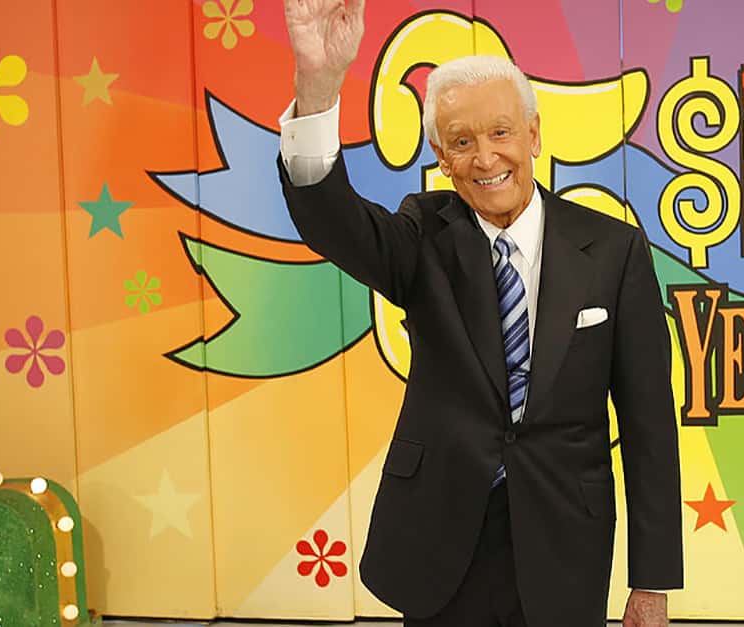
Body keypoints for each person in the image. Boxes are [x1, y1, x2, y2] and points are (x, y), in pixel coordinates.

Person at [277, 1, 683, 625]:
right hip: (440, 542)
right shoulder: (422, 235)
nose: (485, 158)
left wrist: (651, 581)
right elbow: (331, 219)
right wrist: (319, 84)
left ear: (534, 135)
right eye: (462, 142)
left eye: (500, 133)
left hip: (564, 544)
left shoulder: (614, 250)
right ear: (441, 156)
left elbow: (649, 422)